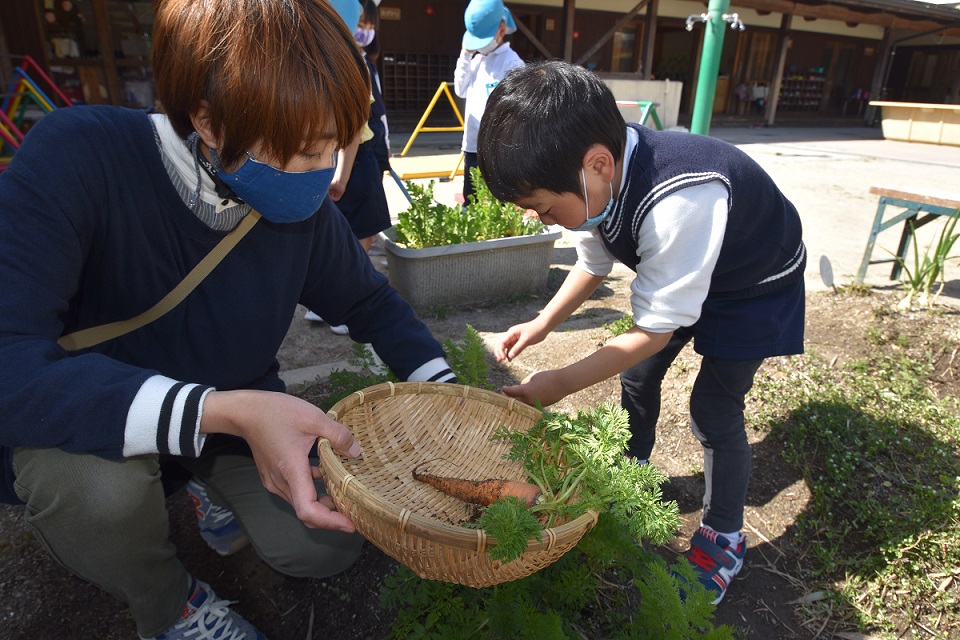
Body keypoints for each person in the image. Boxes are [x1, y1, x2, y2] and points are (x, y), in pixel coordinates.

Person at [0, 1, 456, 638]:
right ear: (209, 121)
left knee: (325, 546)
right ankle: (169, 605)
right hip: (95, 424)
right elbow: (10, 363)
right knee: (98, 498)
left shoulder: (303, 212)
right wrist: (228, 412)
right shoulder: (78, 158)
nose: (326, 177)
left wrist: (444, 394)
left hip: (229, 422)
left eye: (338, 145)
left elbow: (369, 303)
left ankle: (198, 482)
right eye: (304, 149)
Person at [477, 60, 806, 605]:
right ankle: (632, 473)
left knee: (714, 410)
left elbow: (653, 329)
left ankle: (723, 536)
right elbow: (592, 265)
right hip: (691, 271)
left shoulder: (680, 199)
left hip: (753, 281)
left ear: (597, 165)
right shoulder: (594, 186)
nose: (544, 220)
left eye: (543, 208)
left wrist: (559, 382)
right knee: (637, 376)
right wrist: (540, 324)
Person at [304, 0, 391, 333]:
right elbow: (355, 128)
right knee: (362, 232)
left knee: (331, 234)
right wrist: (341, 174)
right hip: (354, 159)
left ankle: (319, 305)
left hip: (326, 156)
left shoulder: (315, 60)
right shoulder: (354, 63)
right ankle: (345, 307)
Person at [453, 0, 523, 207]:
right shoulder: (476, 61)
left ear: (502, 29)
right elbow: (460, 89)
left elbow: (515, 112)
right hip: (473, 144)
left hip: (498, 148)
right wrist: (465, 55)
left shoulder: (512, 64)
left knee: (499, 202)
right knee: (471, 199)